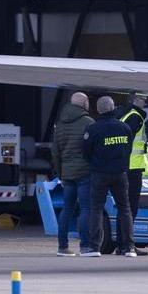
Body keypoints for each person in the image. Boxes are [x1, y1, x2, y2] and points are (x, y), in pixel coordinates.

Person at [83, 96, 139, 257]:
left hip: (99, 173)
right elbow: (128, 149)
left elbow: (85, 152)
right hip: (120, 173)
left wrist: (96, 163)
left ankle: (94, 247)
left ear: (99, 110)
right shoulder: (124, 128)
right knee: (125, 209)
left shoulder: (93, 129)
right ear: (113, 108)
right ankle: (129, 247)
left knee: (96, 208)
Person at [51, 92, 94, 256]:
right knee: (85, 208)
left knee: (67, 209)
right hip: (85, 173)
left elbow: (55, 152)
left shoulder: (60, 124)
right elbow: (92, 149)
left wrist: (60, 173)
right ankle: (85, 246)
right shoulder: (88, 122)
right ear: (84, 103)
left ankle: (62, 247)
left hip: (67, 174)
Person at [118, 93, 148, 239]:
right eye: (143, 99)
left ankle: (122, 243)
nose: (146, 102)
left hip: (125, 166)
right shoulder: (135, 117)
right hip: (132, 168)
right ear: (135, 100)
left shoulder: (126, 114)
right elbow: (127, 140)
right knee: (130, 208)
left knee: (124, 207)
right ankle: (126, 244)